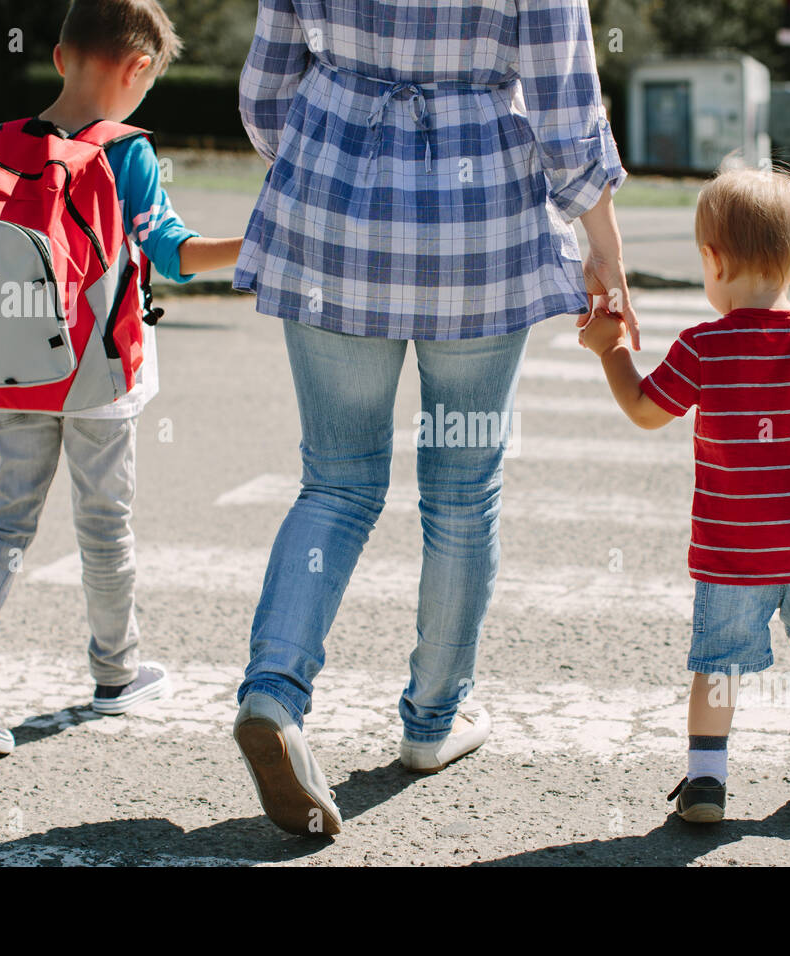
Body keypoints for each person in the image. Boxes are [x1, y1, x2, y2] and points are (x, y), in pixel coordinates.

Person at [232, 0, 635, 836]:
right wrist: (604, 243)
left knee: (336, 484)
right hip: (478, 229)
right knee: (461, 493)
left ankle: (274, 692)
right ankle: (433, 722)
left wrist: (327, 165)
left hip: (333, 223)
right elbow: (565, 102)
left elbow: (268, 91)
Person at [0, 0, 243, 755]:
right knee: (104, 524)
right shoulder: (126, 152)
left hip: (8, 370)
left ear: (59, 58)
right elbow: (173, 255)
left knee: (0, 524)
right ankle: (116, 670)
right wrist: (254, 246)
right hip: (99, 377)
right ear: (139, 69)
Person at [578, 165, 790, 823]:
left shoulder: (704, 347)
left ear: (712, 262)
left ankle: (706, 781)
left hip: (733, 551)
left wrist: (610, 350)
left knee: (718, 662)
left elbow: (643, 409)